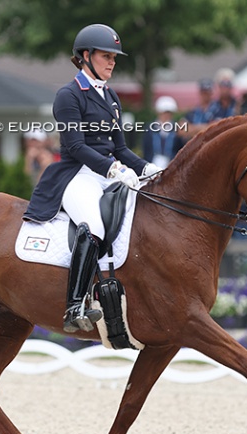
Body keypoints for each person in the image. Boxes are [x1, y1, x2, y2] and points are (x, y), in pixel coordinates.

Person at [23, 24, 161, 333]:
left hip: (107, 173)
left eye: (114, 57)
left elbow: (121, 148)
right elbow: (74, 146)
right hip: (77, 175)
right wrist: (112, 170)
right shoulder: (69, 95)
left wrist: (146, 169)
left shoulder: (110, 96)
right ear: (85, 56)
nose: (112, 62)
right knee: (95, 225)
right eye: (105, 56)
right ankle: (74, 306)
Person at [143, 95, 184, 168]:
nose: (166, 115)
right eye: (164, 112)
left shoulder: (177, 129)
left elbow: (180, 148)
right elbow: (146, 148)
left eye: (169, 113)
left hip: (171, 165)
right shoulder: (150, 128)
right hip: (152, 164)